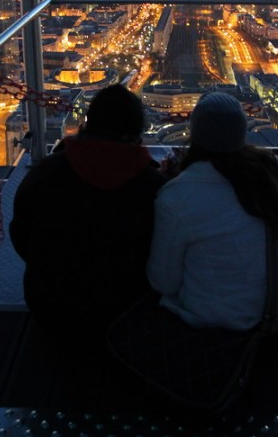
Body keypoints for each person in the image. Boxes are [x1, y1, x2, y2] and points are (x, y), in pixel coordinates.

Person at [9, 83, 167, 353]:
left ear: (89, 123)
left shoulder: (45, 173)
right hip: (127, 315)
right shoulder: (155, 188)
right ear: (136, 131)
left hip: (52, 312)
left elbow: (20, 233)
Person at [147, 91, 278, 341]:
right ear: (241, 132)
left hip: (217, 325)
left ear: (195, 134)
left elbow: (164, 282)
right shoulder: (269, 177)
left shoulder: (177, 196)